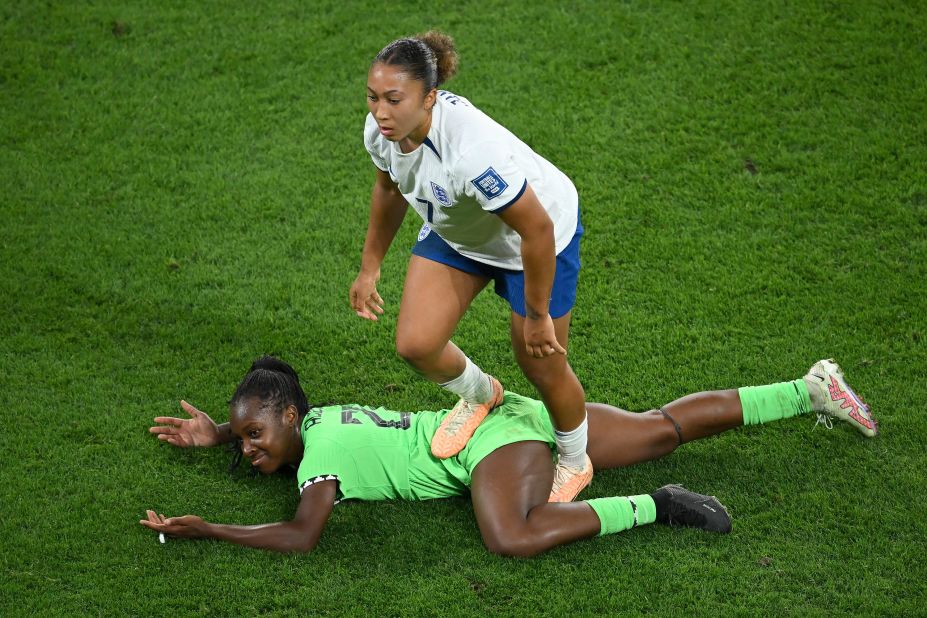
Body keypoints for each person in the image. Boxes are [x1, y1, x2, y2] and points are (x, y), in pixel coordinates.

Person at [141, 357, 877, 556]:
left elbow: (302, 536)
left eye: (252, 437)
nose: (248, 449)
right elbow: (267, 423)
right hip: (508, 416)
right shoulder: (322, 418)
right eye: (241, 440)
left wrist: (208, 528)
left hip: (492, 447)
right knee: (657, 427)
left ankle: (660, 505)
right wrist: (217, 437)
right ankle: (806, 390)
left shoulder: (317, 463)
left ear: (291, 418)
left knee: (510, 534)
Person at [348, 31, 592, 502]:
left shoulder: (470, 153)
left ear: (430, 97)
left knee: (539, 361)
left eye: (395, 100)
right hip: (460, 230)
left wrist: (538, 317)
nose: (381, 112)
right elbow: (389, 189)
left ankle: (576, 458)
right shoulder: (381, 132)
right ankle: (483, 395)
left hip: (539, 237)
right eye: (373, 98)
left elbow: (535, 230)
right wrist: (369, 267)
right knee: (416, 343)